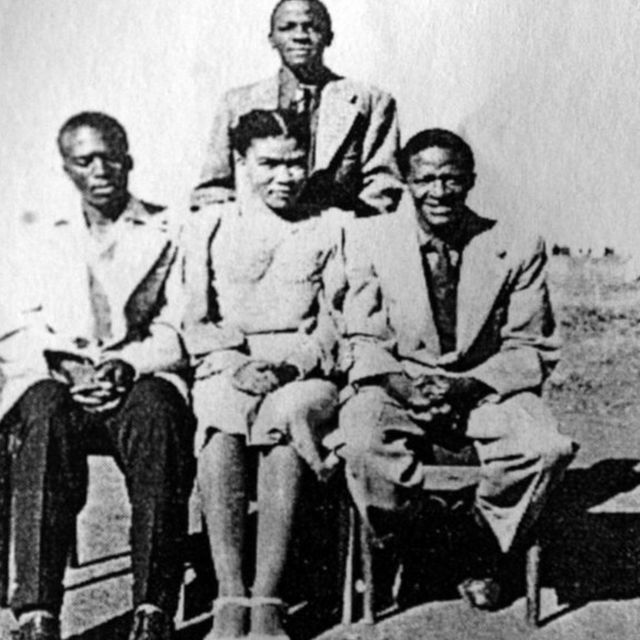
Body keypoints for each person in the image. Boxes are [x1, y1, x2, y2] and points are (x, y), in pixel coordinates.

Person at [338, 128, 578, 609]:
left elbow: (530, 344)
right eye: (425, 179)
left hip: (484, 390)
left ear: (470, 181)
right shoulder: (369, 241)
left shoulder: (516, 244)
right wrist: (403, 387)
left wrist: (470, 385)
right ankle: (428, 541)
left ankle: (477, 540)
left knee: (545, 448)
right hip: (398, 385)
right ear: (405, 181)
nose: (438, 192)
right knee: (362, 443)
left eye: (451, 179)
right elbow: (362, 337)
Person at [0, 112, 194, 640]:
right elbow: (18, 324)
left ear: (129, 159)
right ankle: (37, 612)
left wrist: (127, 364)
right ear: (67, 169)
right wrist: (62, 364)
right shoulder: (38, 236)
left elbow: (178, 323)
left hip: (136, 376)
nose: (102, 170)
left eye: (112, 156)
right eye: (86, 160)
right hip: (61, 379)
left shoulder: (167, 228)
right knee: (39, 416)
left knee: (159, 414)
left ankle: (153, 608)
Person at [183, 109, 346, 640]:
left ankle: (268, 599)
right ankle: (230, 594)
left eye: (296, 162)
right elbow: (195, 319)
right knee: (219, 416)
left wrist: (288, 365)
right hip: (228, 364)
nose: (285, 176)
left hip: (303, 368)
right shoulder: (210, 225)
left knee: (285, 417)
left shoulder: (329, 226)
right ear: (240, 163)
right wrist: (234, 362)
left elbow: (336, 326)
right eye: (269, 163)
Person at [191, 0, 403, 218]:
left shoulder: (370, 102)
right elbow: (213, 189)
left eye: (312, 27)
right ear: (271, 38)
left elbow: (382, 187)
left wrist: (343, 232)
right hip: (257, 239)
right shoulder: (236, 103)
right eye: (287, 27)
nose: (300, 36)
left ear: (329, 37)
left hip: (337, 237)